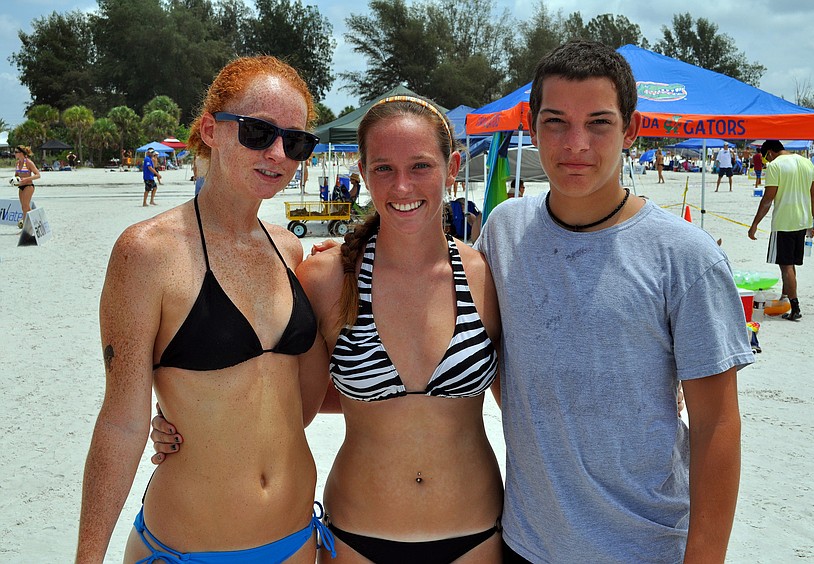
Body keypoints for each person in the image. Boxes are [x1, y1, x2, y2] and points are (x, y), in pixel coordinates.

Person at [152, 95, 504, 563]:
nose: (402, 186)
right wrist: (188, 421)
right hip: (358, 535)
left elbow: (523, 400)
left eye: (420, 166)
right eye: (383, 168)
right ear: (361, 171)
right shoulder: (327, 279)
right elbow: (282, 394)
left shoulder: (486, 275)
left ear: (452, 165)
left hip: (476, 533)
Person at [477, 40, 751, 562]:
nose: (575, 143)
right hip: (525, 542)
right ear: (532, 126)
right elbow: (492, 361)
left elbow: (717, 425)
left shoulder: (685, 257)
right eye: (555, 122)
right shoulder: (504, 230)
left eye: (598, 122)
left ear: (631, 129)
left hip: (644, 545)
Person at [75, 55, 333, 563]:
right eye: (258, 132)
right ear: (211, 130)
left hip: (297, 542)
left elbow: (293, 408)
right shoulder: (148, 253)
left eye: (296, 141)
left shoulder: (290, 250)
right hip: (187, 548)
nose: (278, 153)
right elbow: (121, 421)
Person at [747, 139, 814, 322]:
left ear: (769, 153)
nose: (767, 162)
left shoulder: (775, 166)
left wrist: (754, 224)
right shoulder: (806, 162)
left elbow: (768, 199)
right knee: (791, 264)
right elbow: (813, 195)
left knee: (785, 265)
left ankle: (795, 306)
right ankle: (785, 298)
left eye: (766, 159)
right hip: (803, 220)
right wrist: (813, 220)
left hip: (784, 222)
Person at [13, 145, 41, 229]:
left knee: (26, 206)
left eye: (16, 152)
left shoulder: (28, 162)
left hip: (28, 186)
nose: (14, 154)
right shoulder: (18, 163)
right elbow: (17, 175)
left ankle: (27, 227)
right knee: (24, 207)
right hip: (21, 186)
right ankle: (33, 223)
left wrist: (26, 179)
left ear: (21, 153)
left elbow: (38, 175)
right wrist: (14, 180)